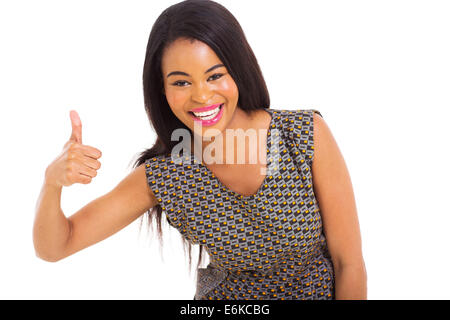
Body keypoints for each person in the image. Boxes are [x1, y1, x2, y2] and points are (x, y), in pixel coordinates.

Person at [33, 0, 366, 300]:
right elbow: (55, 246)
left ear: (237, 70)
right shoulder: (167, 175)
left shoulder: (304, 135)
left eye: (215, 75)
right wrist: (52, 183)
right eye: (181, 82)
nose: (202, 96)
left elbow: (348, 262)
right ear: (161, 90)